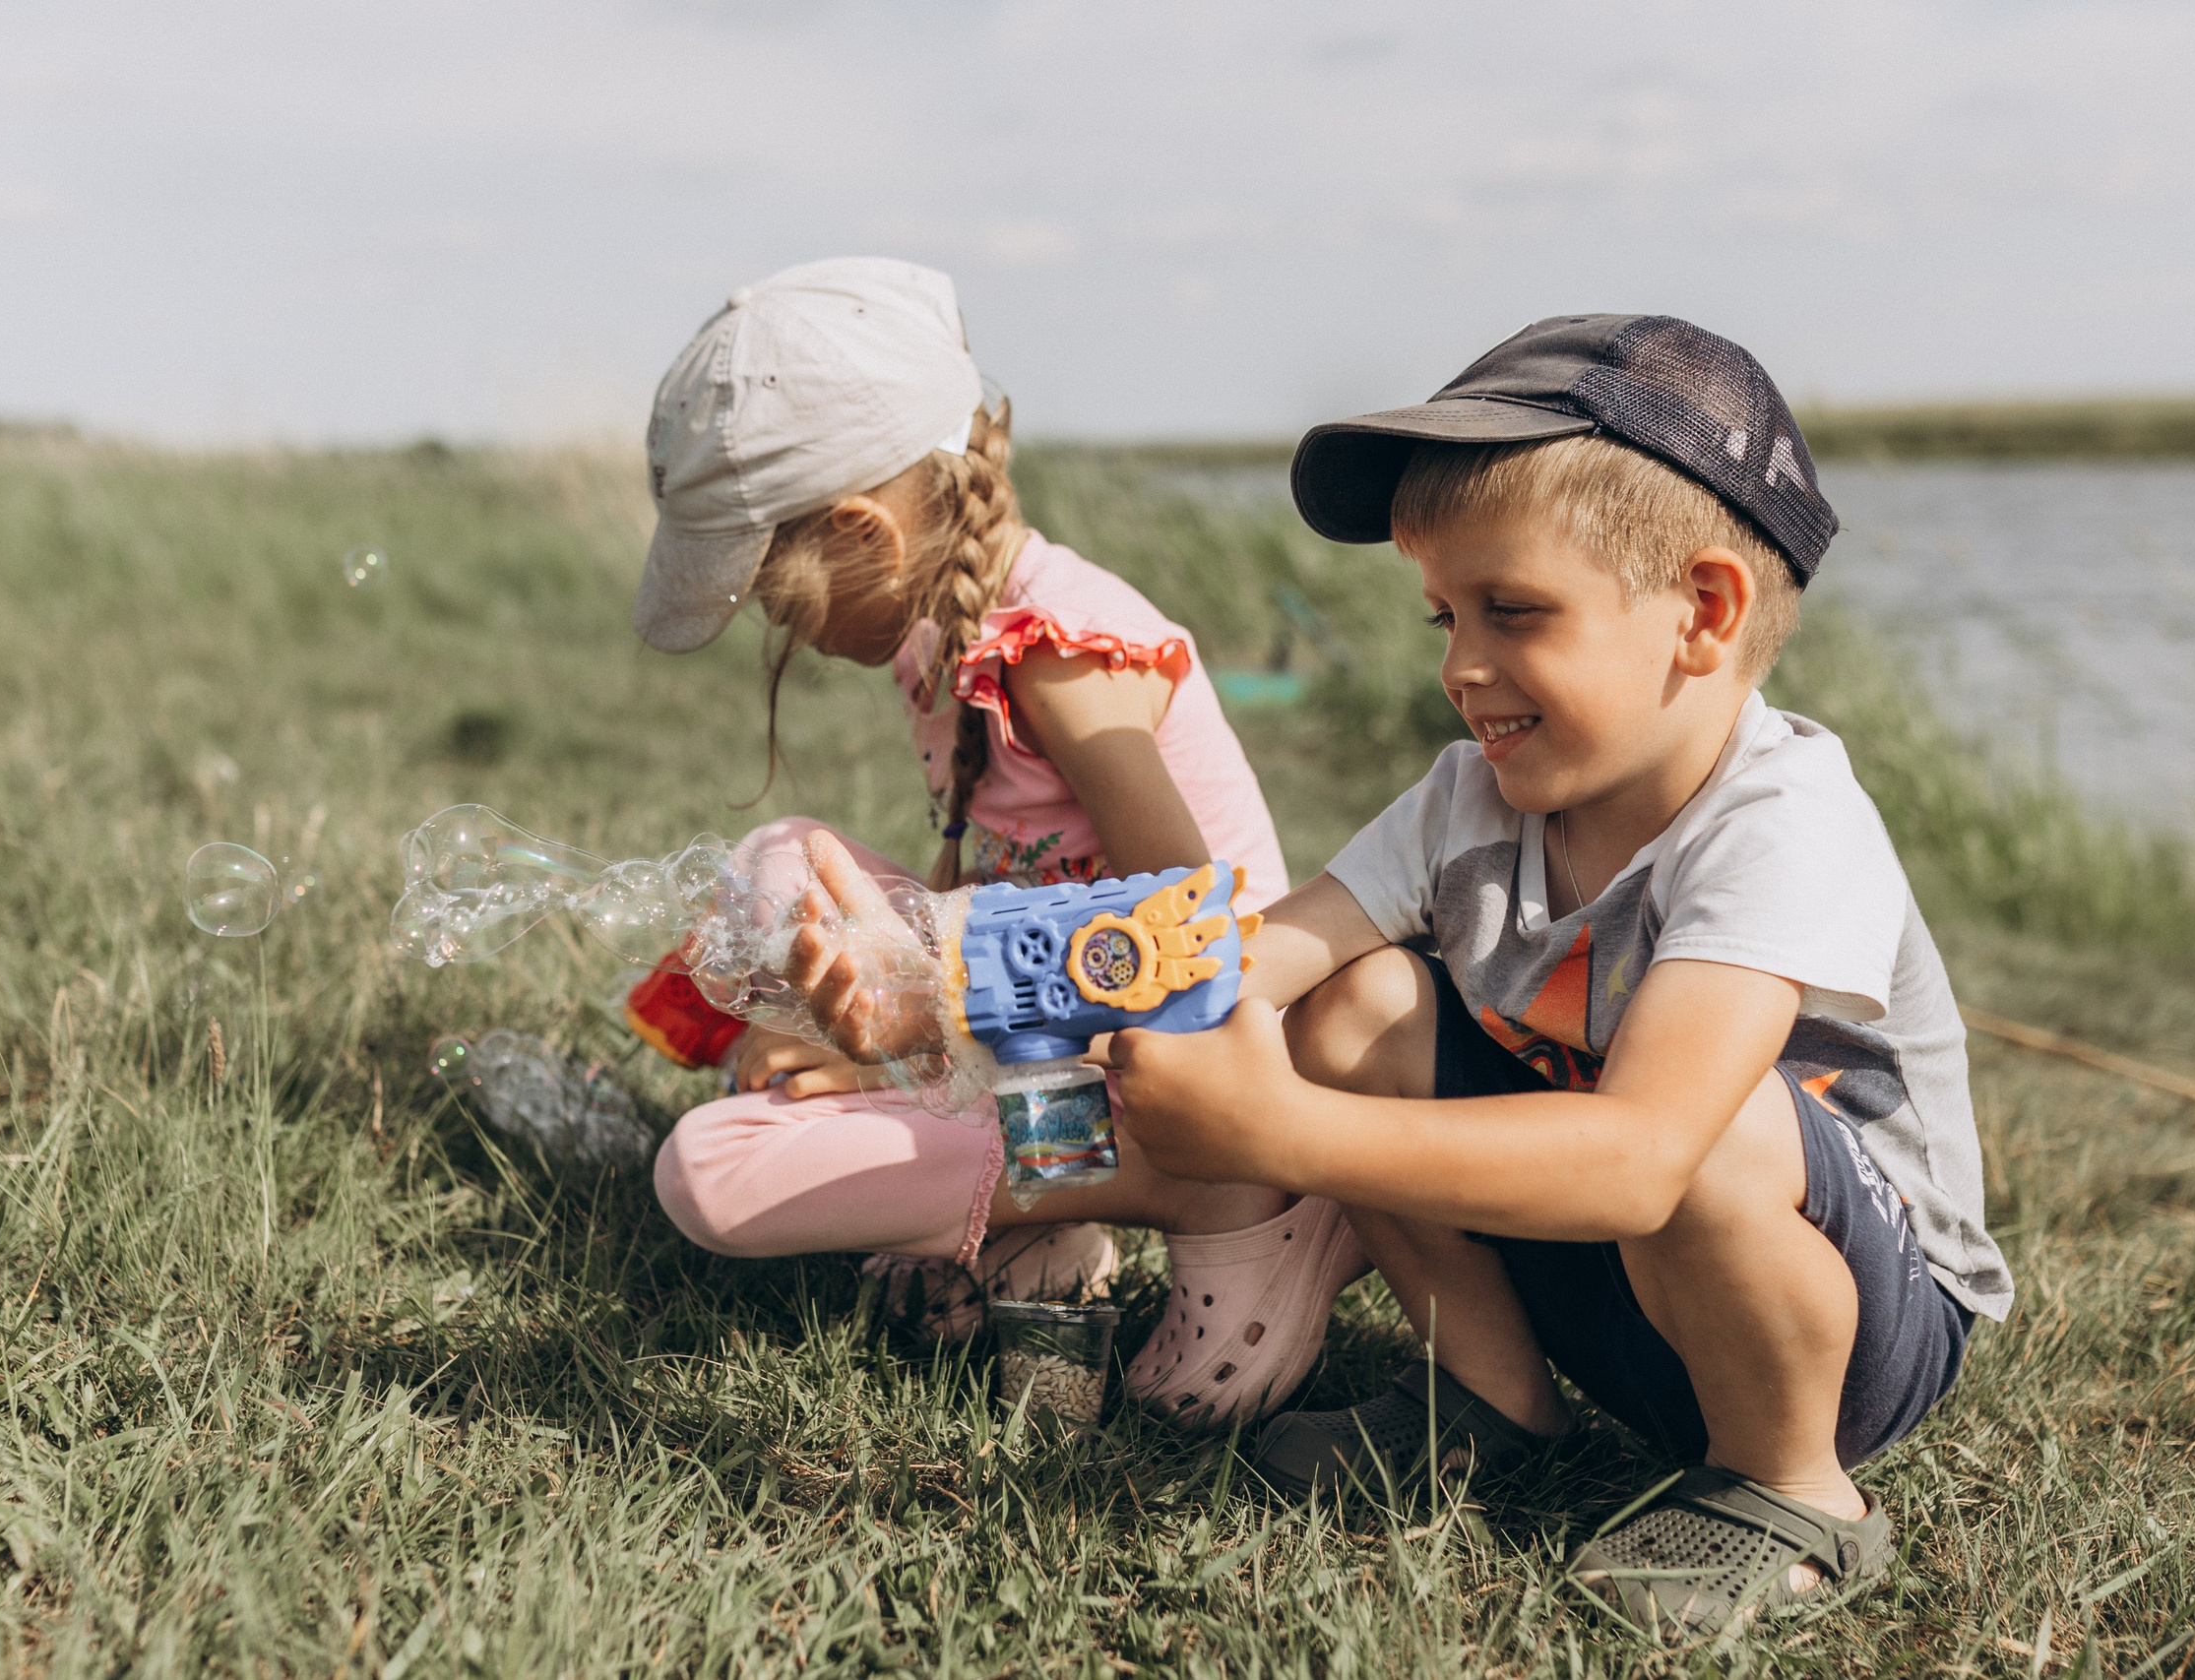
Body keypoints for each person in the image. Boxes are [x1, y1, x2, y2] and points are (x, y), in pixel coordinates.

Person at [788, 315, 2009, 1636]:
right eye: (1444, 614)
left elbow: (1646, 1157)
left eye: (1513, 611)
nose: (1459, 666)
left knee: (1708, 1130)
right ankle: (1492, 1400)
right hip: (1618, 1274)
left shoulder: (1783, 821)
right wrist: (969, 979)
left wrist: (1286, 1131)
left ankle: (1793, 1492)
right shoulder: (1469, 798)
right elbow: (1243, 958)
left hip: (1842, 1331)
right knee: (1357, 1003)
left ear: (1701, 613)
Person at [634, 257, 1364, 1415]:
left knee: (709, 1174)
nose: (784, 633)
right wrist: (887, 1026)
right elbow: (999, 887)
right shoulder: (941, 634)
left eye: (777, 602)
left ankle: (1185, 1198)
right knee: (773, 868)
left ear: (865, 536)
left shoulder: (1064, 656)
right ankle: (1026, 1195)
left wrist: (914, 1029)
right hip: (1055, 1044)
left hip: (1192, 1075)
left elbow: (1191, 925)